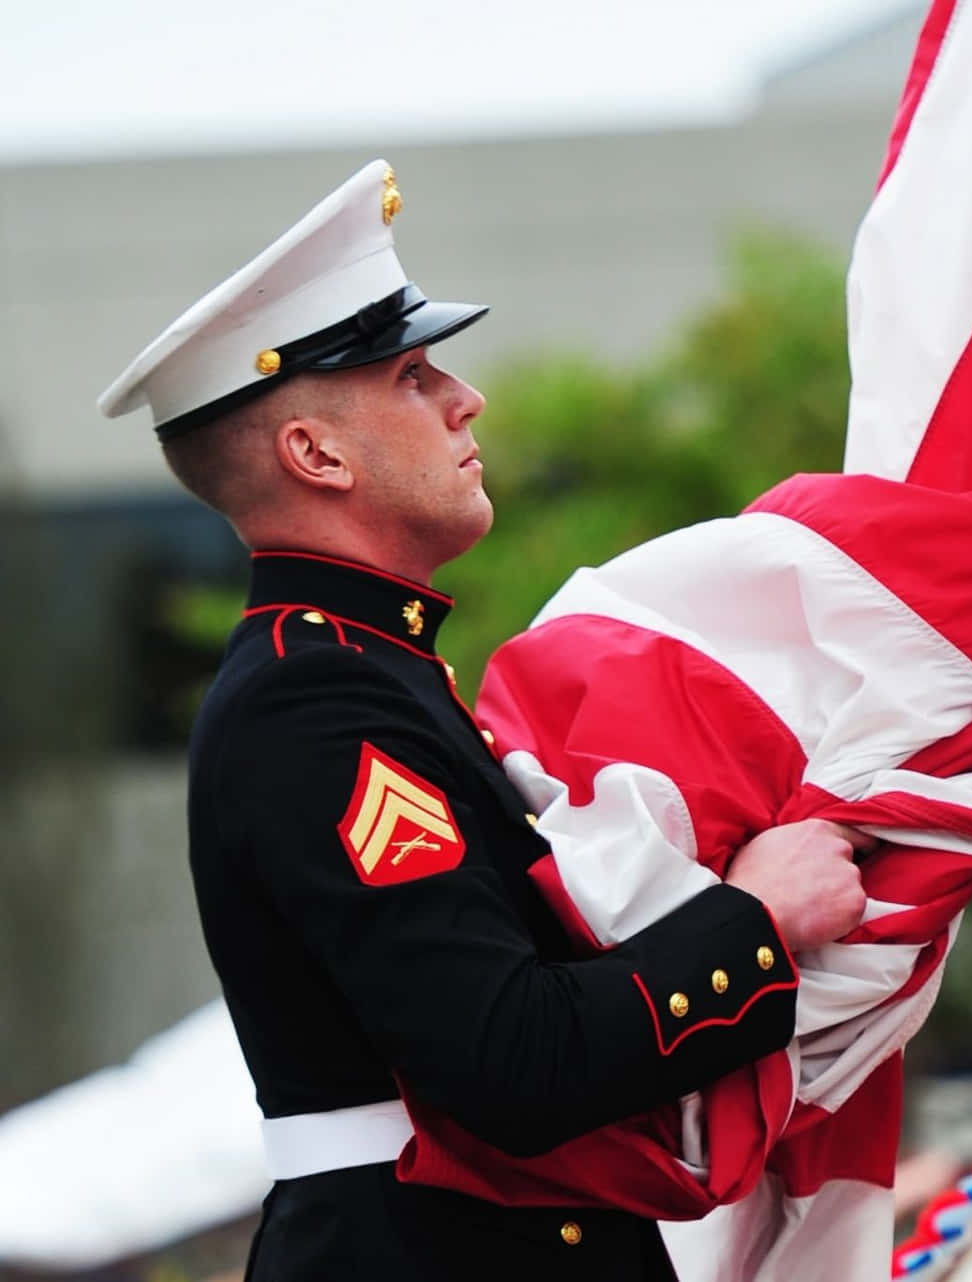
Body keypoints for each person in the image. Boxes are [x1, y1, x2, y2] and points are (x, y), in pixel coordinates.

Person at [97, 160, 870, 1280]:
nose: (468, 399)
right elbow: (512, 1059)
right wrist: (755, 922)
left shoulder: (366, 669)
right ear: (316, 455)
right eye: (413, 376)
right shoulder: (314, 698)